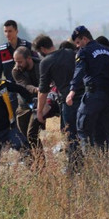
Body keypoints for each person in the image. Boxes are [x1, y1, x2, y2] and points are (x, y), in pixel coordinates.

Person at [33, 34, 81, 173]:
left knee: (70, 135)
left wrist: (39, 111)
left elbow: (43, 90)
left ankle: (75, 166)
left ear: (42, 49)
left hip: (68, 101)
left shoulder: (46, 62)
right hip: (83, 98)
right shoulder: (70, 53)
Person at [66, 25, 109, 150]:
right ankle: (104, 160)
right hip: (108, 97)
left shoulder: (84, 51)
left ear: (84, 39)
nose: (77, 46)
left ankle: (89, 161)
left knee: (83, 128)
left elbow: (79, 71)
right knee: (102, 131)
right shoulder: (107, 51)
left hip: (93, 95)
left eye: (78, 42)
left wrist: (72, 90)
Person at [0, 19, 33, 111]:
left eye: (10, 31)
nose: (7, 34)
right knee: (15, 116)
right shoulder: (1, 50)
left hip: (28, 87)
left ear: (16, 31)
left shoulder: (27, 46)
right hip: (12, 90)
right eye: (5, 31)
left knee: (33, 113)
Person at [11, 46, 44, 154]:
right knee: (24, 138)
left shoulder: (42, 65)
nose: (17, 64)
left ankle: (41, 164)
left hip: (40, 104)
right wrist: (37, 89)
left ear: (29, 58)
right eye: (15, 61)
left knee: (32, 135)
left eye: (20, 61)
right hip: (24, 105)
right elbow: (24, 86)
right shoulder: (16, 71)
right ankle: (33, 163)